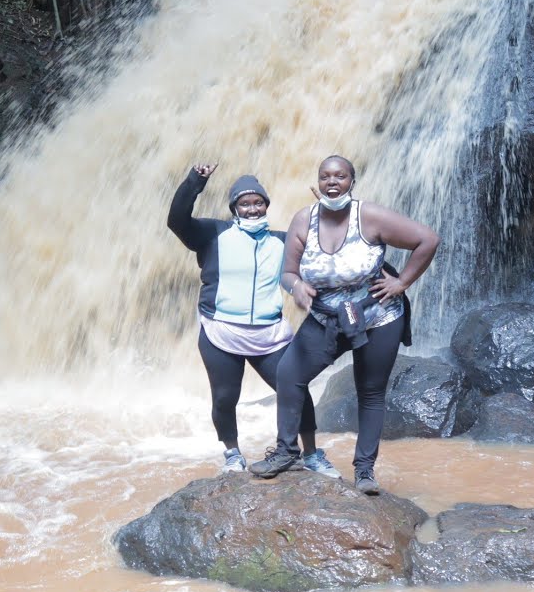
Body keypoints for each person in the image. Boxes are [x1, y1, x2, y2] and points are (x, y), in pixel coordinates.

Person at [249, 155, 440, 494]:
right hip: (326, 316)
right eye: (325, 176)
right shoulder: (302, 220)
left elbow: (427, 239)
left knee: (370, 391)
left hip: (377, 315)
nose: (332, 182)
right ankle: (286, 451)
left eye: (340, 176)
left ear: (352, 182)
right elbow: (288, 273)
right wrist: (297, 288)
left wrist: (402, 283)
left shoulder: (370, 216)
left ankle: (364, 471)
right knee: (289, 374)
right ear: (318, 182)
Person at [168, 162, 341, 476]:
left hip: (269, 334)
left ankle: (312, 454)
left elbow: (328, 246)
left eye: (257, 202)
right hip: (221, 331)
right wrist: (196, 180)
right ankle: (233, 453)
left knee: (295, 391)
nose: (251, 208)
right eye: (244, 203)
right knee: (224, 397)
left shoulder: (283, 240)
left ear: (266, 205)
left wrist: (328, 211)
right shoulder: (212, 234)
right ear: (234, 208)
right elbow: (176, 220)